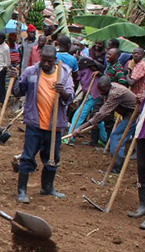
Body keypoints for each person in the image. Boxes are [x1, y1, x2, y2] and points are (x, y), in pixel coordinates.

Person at [12, 45, 74, 203]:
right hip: (35, 123)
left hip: (55, 125)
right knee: (28, 156)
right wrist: (15, 79)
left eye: (49, 61)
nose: (45, 64)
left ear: (55, 60)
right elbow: (19, 91)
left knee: (52, 157)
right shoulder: (31, 71)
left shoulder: (64, 73)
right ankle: (21, 191)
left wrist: (63, 92)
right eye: (43, 60)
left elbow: (70, 98)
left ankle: (47, 187)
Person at [73, 76, 137, 173]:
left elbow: (103, 113)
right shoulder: (109, 90)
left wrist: (80, 128)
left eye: (102, 90)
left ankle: (116, 167)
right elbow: (104, 110)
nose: (101, 92)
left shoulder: (115, 93)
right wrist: (95, 122)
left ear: (108, 86)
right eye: (100, 90)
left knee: (116, 137)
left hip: (135, 114)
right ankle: (117, 165)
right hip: (128, 114)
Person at [65, 57, 107, 146]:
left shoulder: (87, 71)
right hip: (94, 95)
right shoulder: (89, 71)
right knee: (97, 117)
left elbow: (79, 78)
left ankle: (70, 137)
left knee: (79, 115)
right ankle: (104, 138)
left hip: (92, 95)